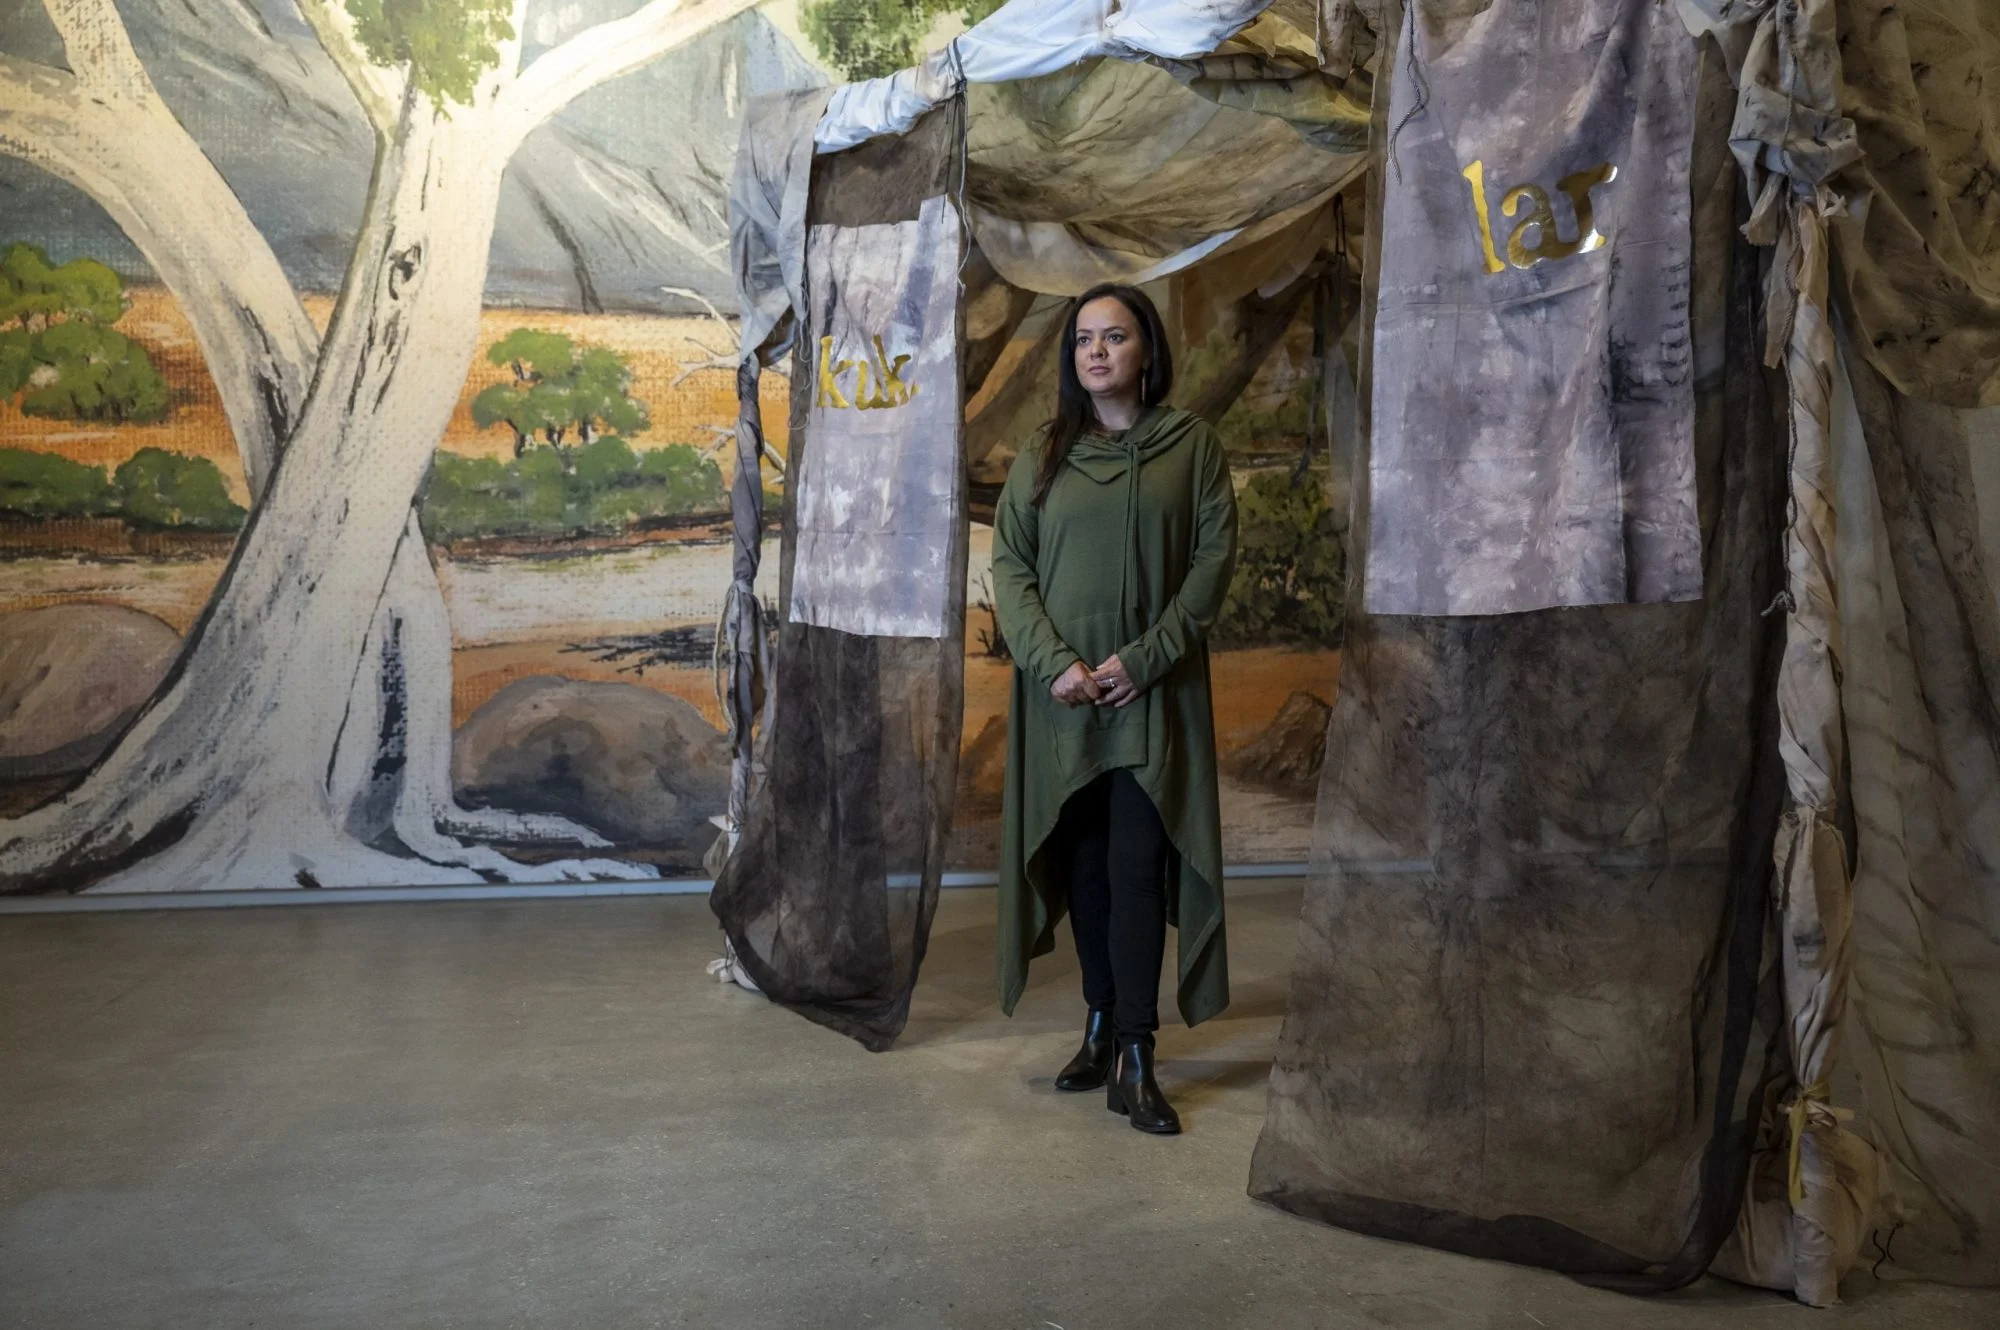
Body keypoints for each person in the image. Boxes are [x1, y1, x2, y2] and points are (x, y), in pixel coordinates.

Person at [989, 283, 1239, 1136]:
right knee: (1086, 869)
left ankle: (1137, 1052)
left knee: (1137, 868)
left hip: (1149, 694)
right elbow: (1011, 569)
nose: (1097, 352)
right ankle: (1098, 1020)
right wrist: (1052, 663)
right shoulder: (1045, 452)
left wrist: (1148, 657)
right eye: (1084, 339)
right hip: (1064, 697)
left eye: (1116, 337)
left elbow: (1210, 565)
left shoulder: (1193, 449)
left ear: (1146, 352)